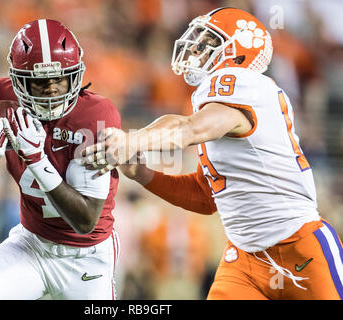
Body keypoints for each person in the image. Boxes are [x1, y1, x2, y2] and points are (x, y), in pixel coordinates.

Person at [82, 7, 343, 300]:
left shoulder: (244, 85)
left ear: (238, 53)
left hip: (300, 247)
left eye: (208, 42)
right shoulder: (214, 105)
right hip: (245, 259)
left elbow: (188, 130)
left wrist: (132, 139)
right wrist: (143, 174)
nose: (194, 48)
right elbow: (206, 197)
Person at [0, 19, 121, 300]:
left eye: (60, 78)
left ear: (76, 75)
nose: (52, 89)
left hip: (86, 258)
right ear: (17, 81)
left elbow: (85, 220)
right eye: (39, 82)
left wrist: (36, 159)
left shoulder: (95, 114)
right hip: (31, 245)